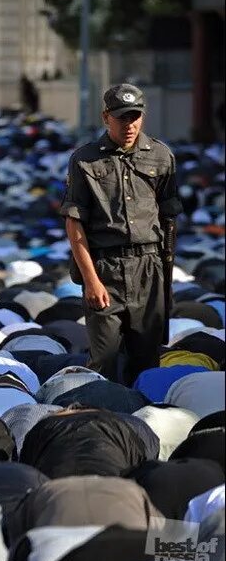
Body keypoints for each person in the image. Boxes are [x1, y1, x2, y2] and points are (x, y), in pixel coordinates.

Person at [60, 84, 182, 386]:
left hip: (149, 268)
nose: (130, 125)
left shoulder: (161, 156)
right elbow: (75, 224)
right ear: (106, 118)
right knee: (105, 359)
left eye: (135, 117)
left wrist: (165, 278)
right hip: (106, 268)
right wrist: (90, 281)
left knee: (146, 359)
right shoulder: (85, 159)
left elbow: (169, 219)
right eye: (122, 118)